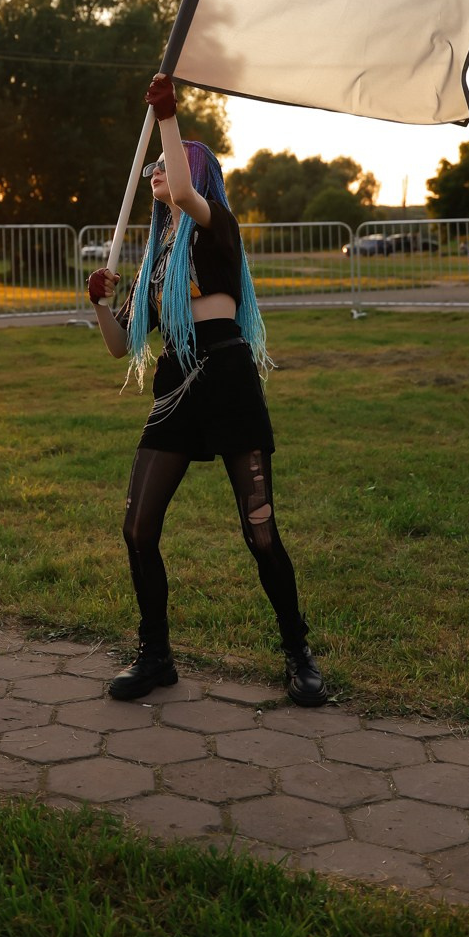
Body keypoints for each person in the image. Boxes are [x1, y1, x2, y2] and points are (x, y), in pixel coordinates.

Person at [87, 74, 327, 708]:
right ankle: (155, 655)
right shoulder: (156, 260)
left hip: (227, 378)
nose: (159, 176)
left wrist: (169, 115)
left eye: (169, 166)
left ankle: (298, 650)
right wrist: (101, 307)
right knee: (138, 529)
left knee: (261, 532)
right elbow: (120, 347)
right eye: (155, 173)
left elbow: (187, 188)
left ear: (195, 173)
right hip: (173, 388)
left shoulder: (217, 223)